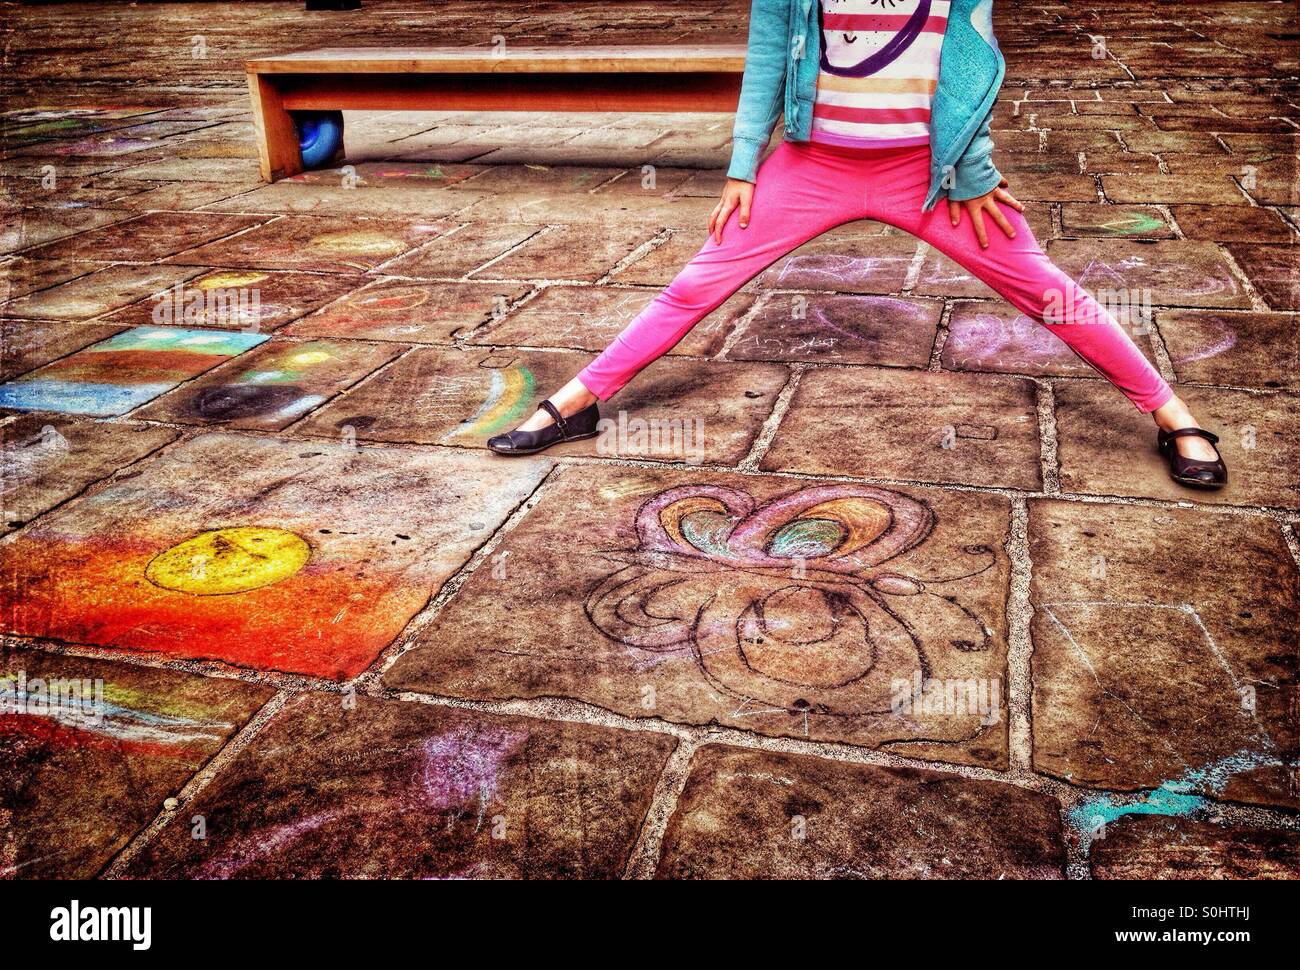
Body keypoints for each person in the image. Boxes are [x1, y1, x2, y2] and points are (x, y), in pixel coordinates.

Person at [487, 0, 1227, 490]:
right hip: (814, 166)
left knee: (1044, 290)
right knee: (694, 285)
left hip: (927, 173)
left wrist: (974, 174)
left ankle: (1173, 417)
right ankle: (576, 404)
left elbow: (969, 74)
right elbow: (767, 62)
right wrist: (744, 165)